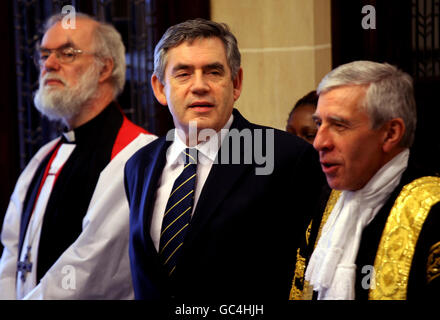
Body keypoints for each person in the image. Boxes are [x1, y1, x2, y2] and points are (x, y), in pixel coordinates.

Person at [124, 18, 325, 302]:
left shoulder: (286, 159)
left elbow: (309, 275)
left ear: (236, 83)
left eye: (213, 72)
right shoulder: (139, 165)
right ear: (159, 88)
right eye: (183, 74)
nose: (199, 86)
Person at [0, 13, 156, 299]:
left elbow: (91, 266)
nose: (49, 64)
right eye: (44, 54)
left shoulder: (138, 155)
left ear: (104, 68)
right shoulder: (44, 157)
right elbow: (12, 252)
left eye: (67, 53)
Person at [290, 61, 440, 300]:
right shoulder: (331, 199)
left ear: (390, 133)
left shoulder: (433, 211)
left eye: (339, 125)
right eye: (319, 124)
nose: (319, 142)